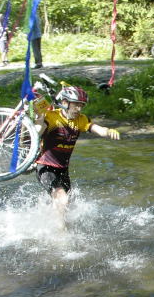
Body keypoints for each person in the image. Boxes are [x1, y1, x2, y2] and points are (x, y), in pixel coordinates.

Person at [33, 86, 120, 225]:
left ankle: (45, 218)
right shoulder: (52, 117)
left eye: (81, 106)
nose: (79, 109)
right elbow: (37, 131)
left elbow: (97, 129)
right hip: (46, 166)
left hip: (63, 169)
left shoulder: (81, 120)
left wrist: (108, 131)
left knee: (68, 202)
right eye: (76, 105)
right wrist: (39, 117)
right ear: (65, 103)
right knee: (62, 198)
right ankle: (60, 232)